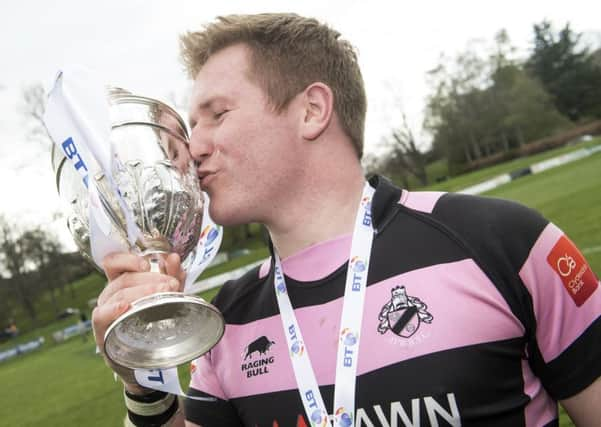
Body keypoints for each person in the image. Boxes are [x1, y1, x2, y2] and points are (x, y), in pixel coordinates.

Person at [92, 13, 601, 427]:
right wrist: (144, 384)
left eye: (217, 114)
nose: (193, 148)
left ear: (312, 110)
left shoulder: (503, 243)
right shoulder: (227, 323)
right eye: (192, 125)